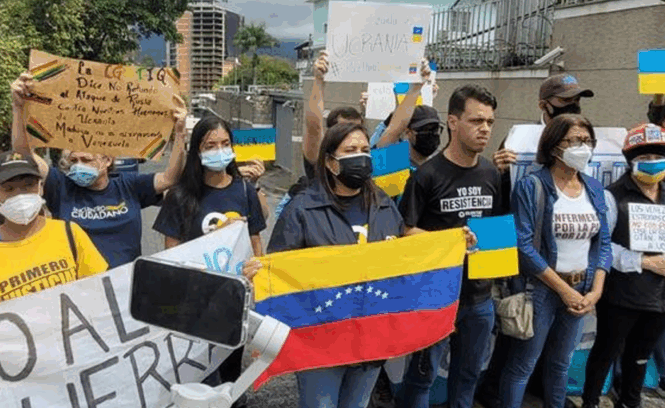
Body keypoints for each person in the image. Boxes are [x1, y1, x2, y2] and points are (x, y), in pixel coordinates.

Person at [267, 121, 405, 408]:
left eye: (366, 149)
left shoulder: (383, 204)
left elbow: (404, 257)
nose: (361, 156)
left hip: (371, 337)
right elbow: (278, 271)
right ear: (330, 162)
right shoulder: (302, 208)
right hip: (321, 340)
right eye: (351, 150)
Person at [10, 71, 188, 268]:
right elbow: (24, 153)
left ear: (107, 160)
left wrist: (179, 134)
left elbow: (170, 178)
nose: (78, 165)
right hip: (80, 287)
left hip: (125, 283)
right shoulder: (60, 186)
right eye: (73, 160)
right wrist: (18, 108)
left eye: (86, 159)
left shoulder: (129, 185)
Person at [397, 84, 502, 408]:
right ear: (453, 123)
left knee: (468, 377)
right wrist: (452, 240)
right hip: (436, 295)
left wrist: (495, 282)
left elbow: (496, 229)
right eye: (476, 121)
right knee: (422, 379)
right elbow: (405, 231)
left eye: (489, 122)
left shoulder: (492, 172)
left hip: (480, 300)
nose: (484, 129)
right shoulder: (427, 175)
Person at [498, 114, 612, 408]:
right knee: (523, 365)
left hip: (582, 290)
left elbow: (603, 243)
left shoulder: (594, 188)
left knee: (561, 365)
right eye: (574, 140)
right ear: (553, 146)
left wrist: (595, 291)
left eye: (587, 141)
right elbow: (522, 246)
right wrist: (563, 290)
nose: (582, 147)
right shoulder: (532, 187)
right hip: (542, 291)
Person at [153, 115, 267, 406]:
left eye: (225, 143)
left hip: (233, 305)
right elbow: (171, 256)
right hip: (194, 308)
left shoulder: (244, 191)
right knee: (199, 383)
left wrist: (260, 282)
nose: (219, 150)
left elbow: (256, 243)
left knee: (231, 381)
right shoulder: (180, 196)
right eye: (210, 145)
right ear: (198, 151)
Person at [0, 151, 109, 313]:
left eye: (28, 185)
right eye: (9, 189)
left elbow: (101, 293)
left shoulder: (69, 233)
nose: (20, 195)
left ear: (41, 187)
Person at [581, 123, 665, 408]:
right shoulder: (613, 196)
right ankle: (590, 401)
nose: (652, 163)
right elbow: (602, 246)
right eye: (645, 158)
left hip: (658, 299)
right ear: (630, 161)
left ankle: (630, 402)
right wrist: (642, 261)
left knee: (640, 357)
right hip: (621, 296)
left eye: (658, 156)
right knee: (605, 352)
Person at [274, 51, 365, 218]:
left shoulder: (375, 198)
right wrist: (318, 81)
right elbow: (314, 126)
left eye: (355, 130)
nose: (351, 135)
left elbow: (393, 131)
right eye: (343, 130)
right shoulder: (322, 158)